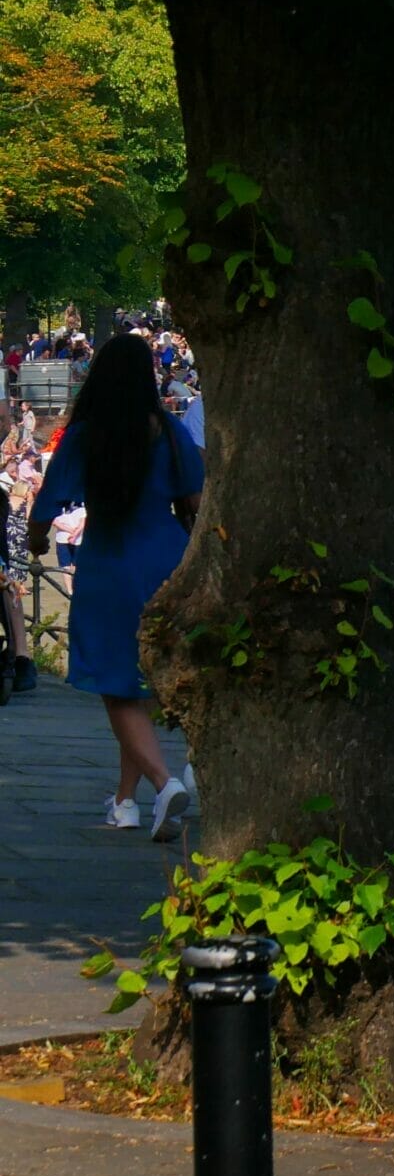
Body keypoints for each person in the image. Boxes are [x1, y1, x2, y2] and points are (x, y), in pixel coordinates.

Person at [29, 333, 200, 839]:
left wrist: (38, 542)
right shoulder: (169, 432)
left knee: (114, 681)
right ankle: (125, 801)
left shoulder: (86, 436)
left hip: (108, 560)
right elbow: (194, 499)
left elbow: (46, 505)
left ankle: (163, 782)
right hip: (166, 557)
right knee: (141, 682)